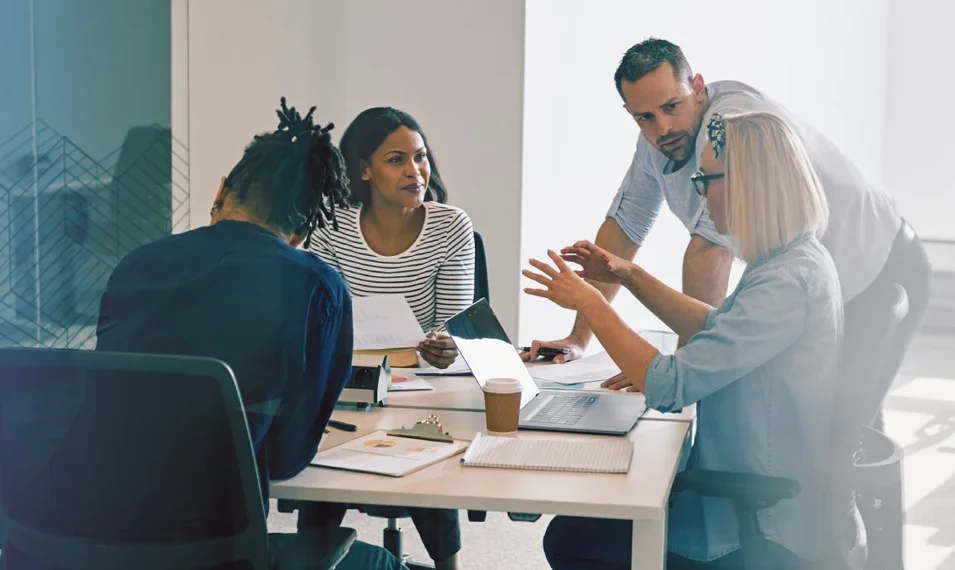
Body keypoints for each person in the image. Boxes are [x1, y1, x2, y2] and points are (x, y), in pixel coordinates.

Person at [524, 38, 931, 419]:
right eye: (645, 117)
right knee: (824, 433)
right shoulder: (659, 139)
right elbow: (624, 227)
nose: (662, 128)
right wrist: (581, 336)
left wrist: (678, 372)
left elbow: (709, 252)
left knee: (845, 433)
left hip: (879, 266)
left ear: (698, 87)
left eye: (672, 106)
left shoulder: (730, 129)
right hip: (821, 285)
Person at [96, 98, 406, 570]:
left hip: (76, 537)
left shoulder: (137, 264)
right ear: (305, 231)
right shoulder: (314, 286)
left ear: (221, 191)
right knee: (380, 563)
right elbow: (286, 460)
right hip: (216, 552)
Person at [525, 110, 843, 569]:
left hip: (755, 521)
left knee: (572, 539)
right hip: (753, 489)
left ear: (750, 184)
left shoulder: (786, 283)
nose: (700, 196)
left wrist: (594, 302)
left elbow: (671, 386)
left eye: (706, 180)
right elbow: (718, 326)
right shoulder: (792, 260)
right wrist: (628, 275)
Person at [306, 106, 472, 570]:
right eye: (397, 159)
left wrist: (447, 347)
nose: (416, 171)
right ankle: (312, 559)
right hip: (349, 383)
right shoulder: (332, 227)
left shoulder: (450, 226)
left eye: (420, 157)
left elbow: (454, 327)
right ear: (364, 169)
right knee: (324, 467)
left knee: (427, 463)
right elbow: (322, 323)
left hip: (426, 388)